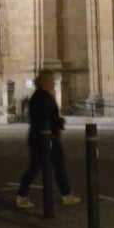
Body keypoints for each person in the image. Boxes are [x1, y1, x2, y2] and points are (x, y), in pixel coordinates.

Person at [15, 70, 82, 208]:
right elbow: (47, 117)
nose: (53, 84)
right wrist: (58, 123)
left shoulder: (40, 96)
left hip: (43, 136)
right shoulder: (43, 97)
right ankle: (22, 195)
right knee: (37, 166)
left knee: (56, 166)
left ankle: (66, 194)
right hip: (45, 138)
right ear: (46, 83)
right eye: (51, 81)